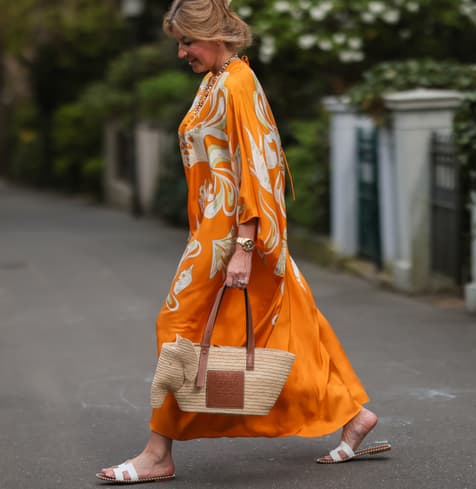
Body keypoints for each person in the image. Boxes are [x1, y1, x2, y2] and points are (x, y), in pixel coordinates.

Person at [97, 0, 390, 483]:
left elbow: (256, 163)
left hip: (229, 233)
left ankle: (157, 454)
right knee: (291, 322)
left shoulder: (237, 82)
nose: (181, 52)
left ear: (213, 35)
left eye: (187, 41)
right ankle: (353, 415)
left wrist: (244, 246)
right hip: (214, 230)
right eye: (179, 42)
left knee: (179, 326)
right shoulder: (216, 81)